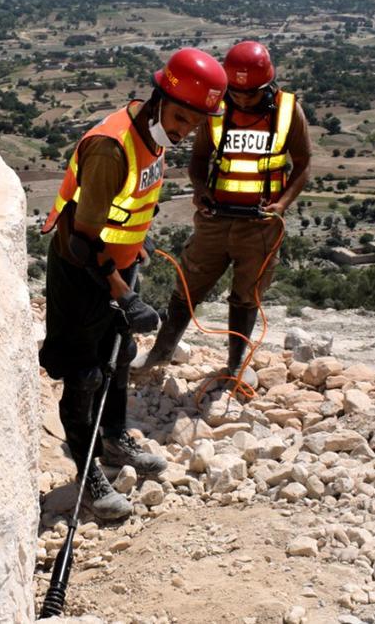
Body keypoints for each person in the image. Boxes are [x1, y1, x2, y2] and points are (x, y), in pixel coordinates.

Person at [38, 48, 227, 520]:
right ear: (159, 97)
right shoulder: (112, 147)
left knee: (118, 359)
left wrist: (134, 251)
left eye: (195, 124)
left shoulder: (153, 136)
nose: (185, 131)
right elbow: (81, 239)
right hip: (84, 273)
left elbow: (125, 210)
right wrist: (122, 292)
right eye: (182, 116)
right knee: (84, 375)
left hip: (118, 265)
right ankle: (88, 473)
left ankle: (115, 439)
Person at [135, 41, 312, 393]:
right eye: (237, 92)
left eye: (251, 93)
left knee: (246, 296)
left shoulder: (288, 110)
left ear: (267, 85)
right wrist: (199, 191)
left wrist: (281, 206)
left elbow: (303, 163)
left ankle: (234, 365)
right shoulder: (215, 112)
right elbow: (198, 161)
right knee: (188, 286)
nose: (243, 99)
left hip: (259, 224)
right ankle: (161, 352)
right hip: (215, 220)